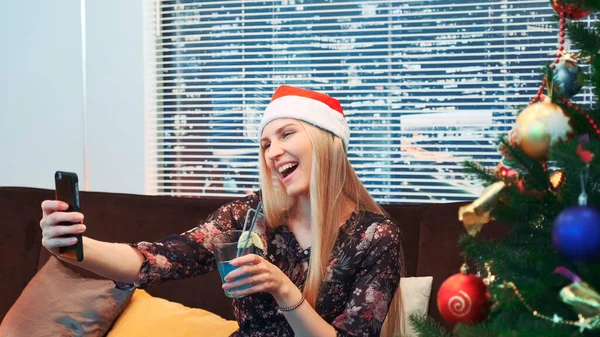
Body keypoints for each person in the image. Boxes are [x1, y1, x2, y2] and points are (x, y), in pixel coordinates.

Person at [40, 85, 405, 337]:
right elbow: (157, 259)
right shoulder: (251, 217)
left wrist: (283, 289)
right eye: (265, 143)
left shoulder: (375, 236)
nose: (272, 152)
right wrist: (77, 247)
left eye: (286, 134)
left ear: (327, 143)